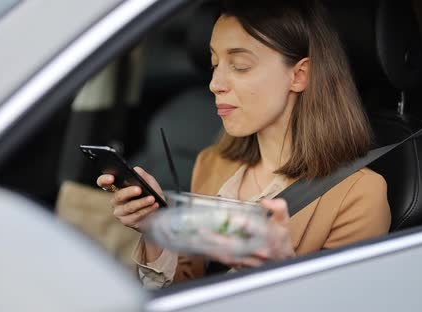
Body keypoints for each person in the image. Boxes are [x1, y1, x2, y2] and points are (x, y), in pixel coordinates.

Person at [97, 0, 391, 288]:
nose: (215, 83)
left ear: (299, 75)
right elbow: (189, 284)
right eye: (214, 64)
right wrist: (154, 229)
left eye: (239, 65)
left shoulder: (359, 195)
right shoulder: (213, 164)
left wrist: (278, 272)